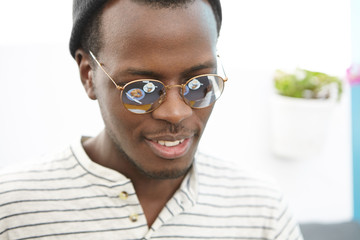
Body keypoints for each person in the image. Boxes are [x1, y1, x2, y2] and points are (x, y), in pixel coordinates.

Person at [0, 0, 303, 239]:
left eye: (198, 84)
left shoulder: (262, 209)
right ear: (89, 76)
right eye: (142, 89)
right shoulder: (12, 210)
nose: (176, 112)